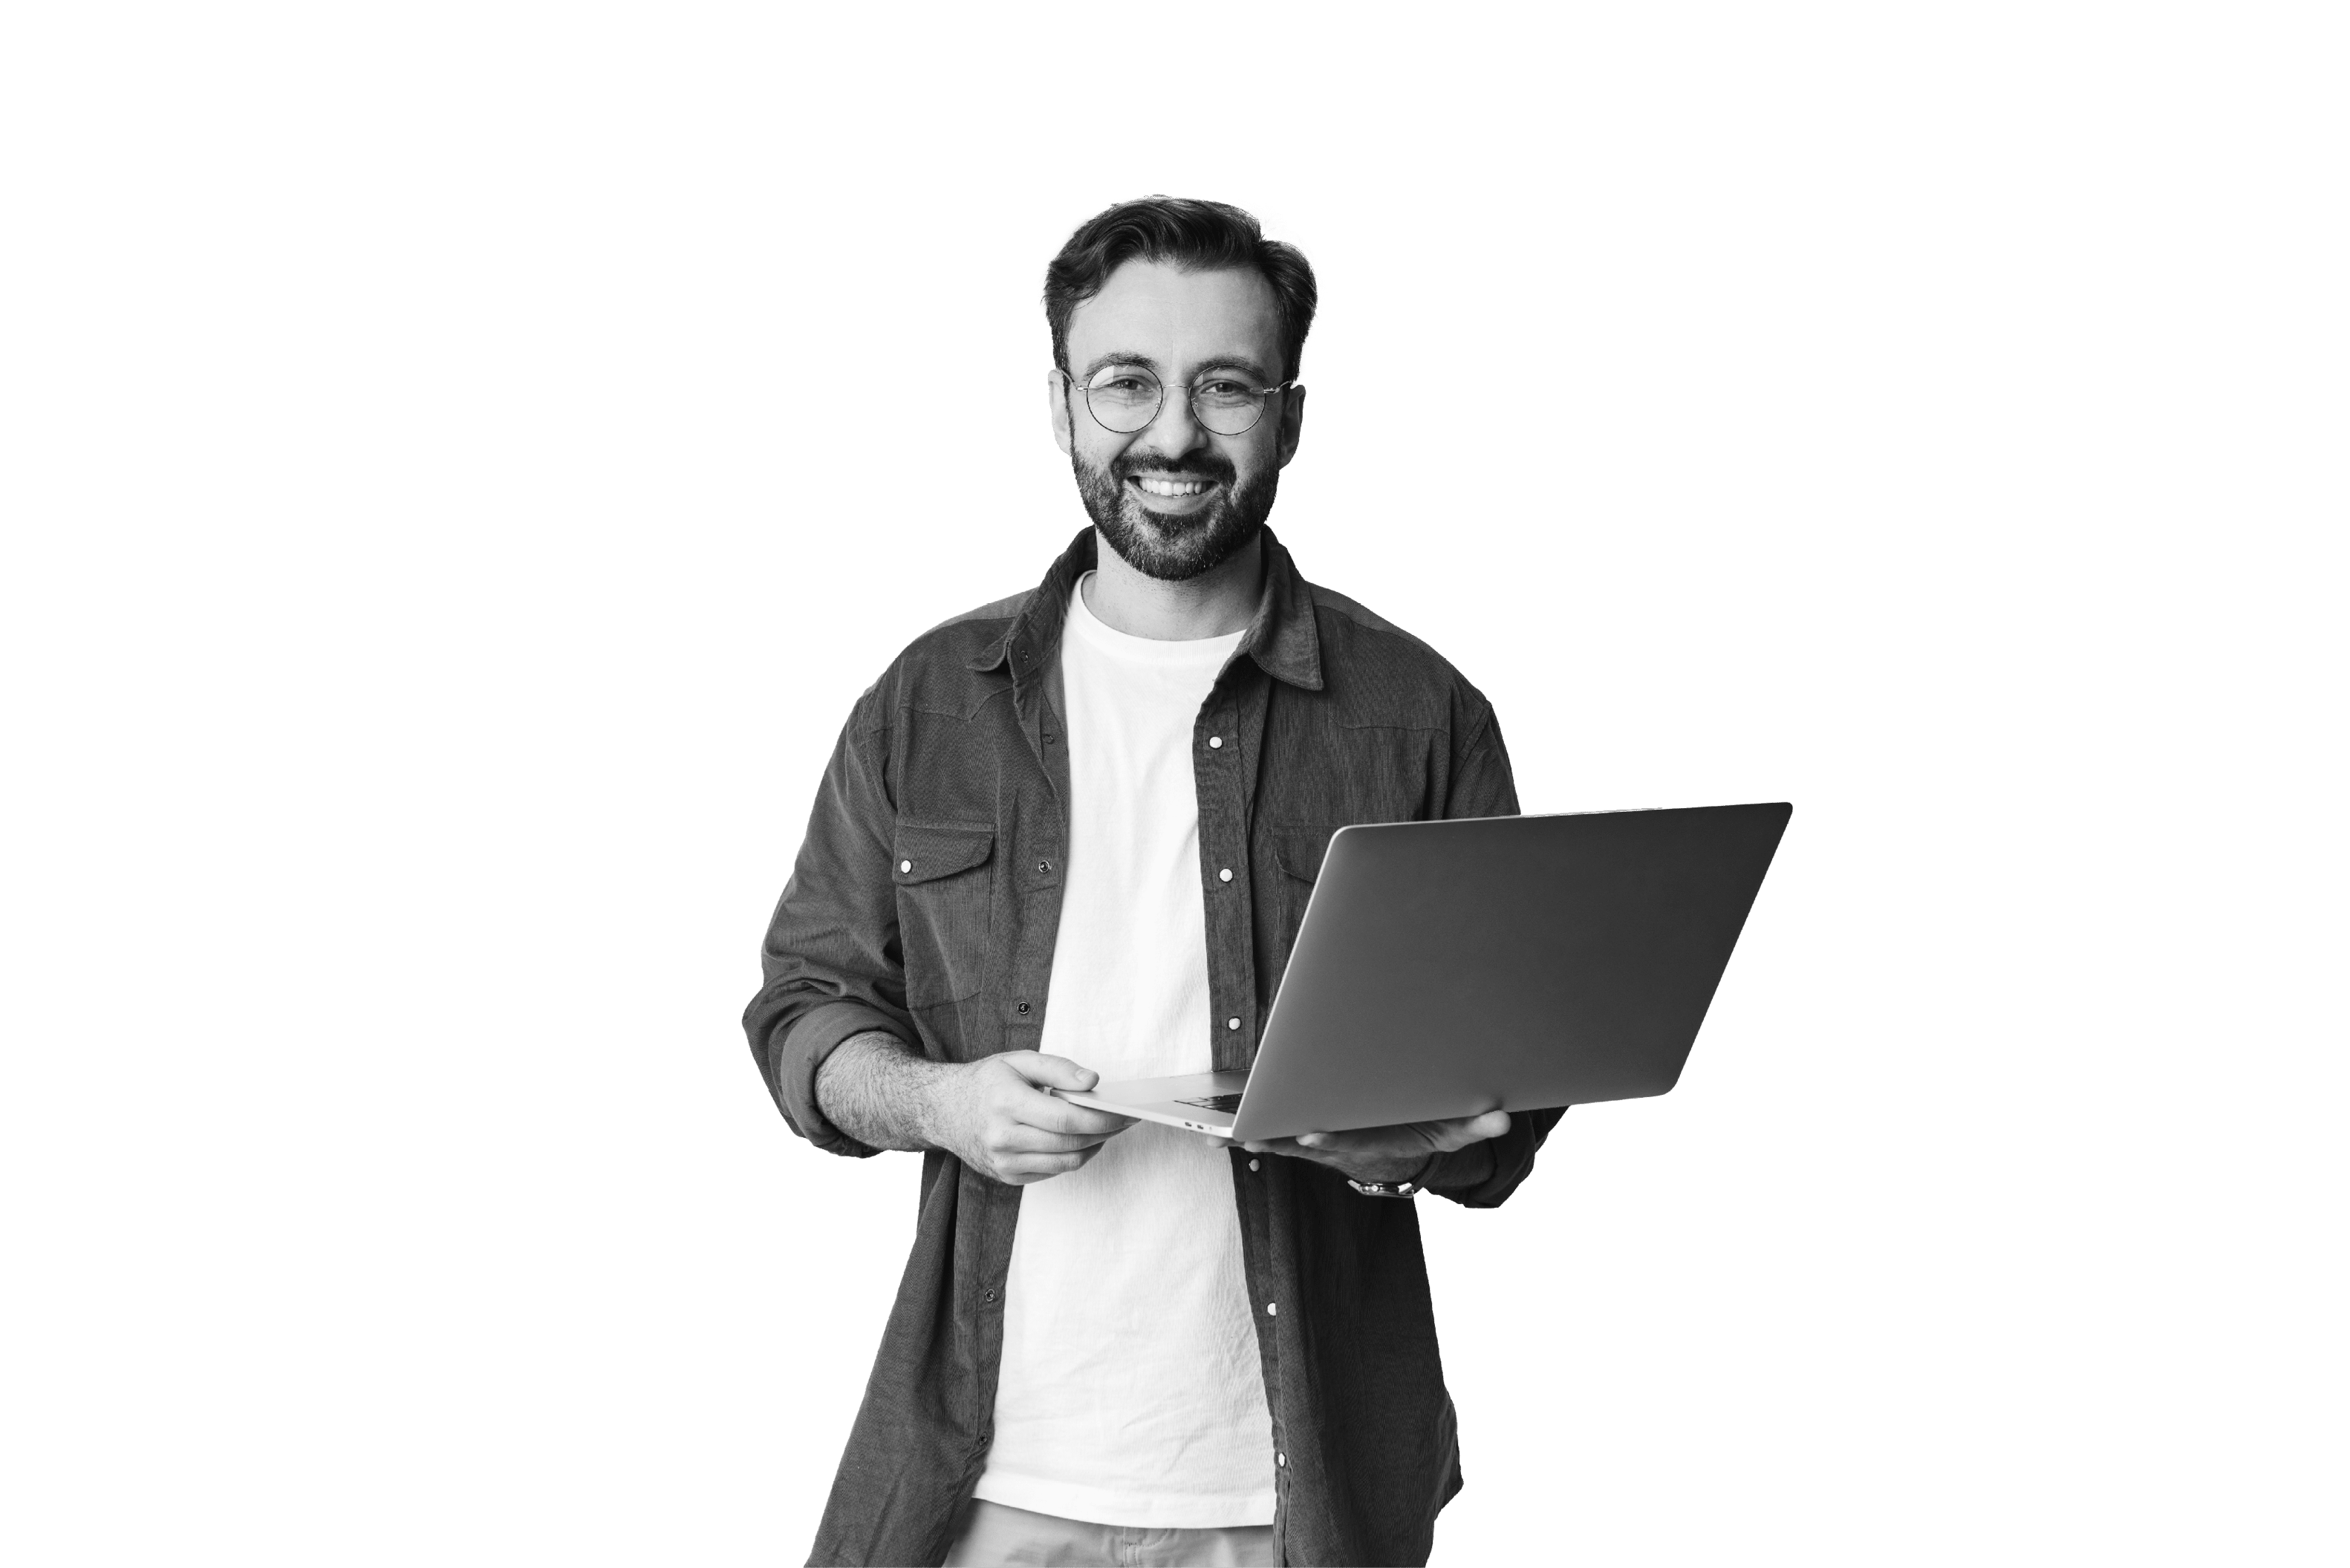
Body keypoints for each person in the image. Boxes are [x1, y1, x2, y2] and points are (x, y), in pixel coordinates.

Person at [743, 194, 1562, 1568]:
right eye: (1127, 382)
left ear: (1290, 417)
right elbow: (802, 1013)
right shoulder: (926, 704)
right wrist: (940, 1100)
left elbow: (1515, 1089)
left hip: (1294, 1495)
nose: (1173, 435)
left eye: (1224, 386)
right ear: (1062, 406)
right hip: (986, 1472)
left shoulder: (1425, 717)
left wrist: (1409, 1144)